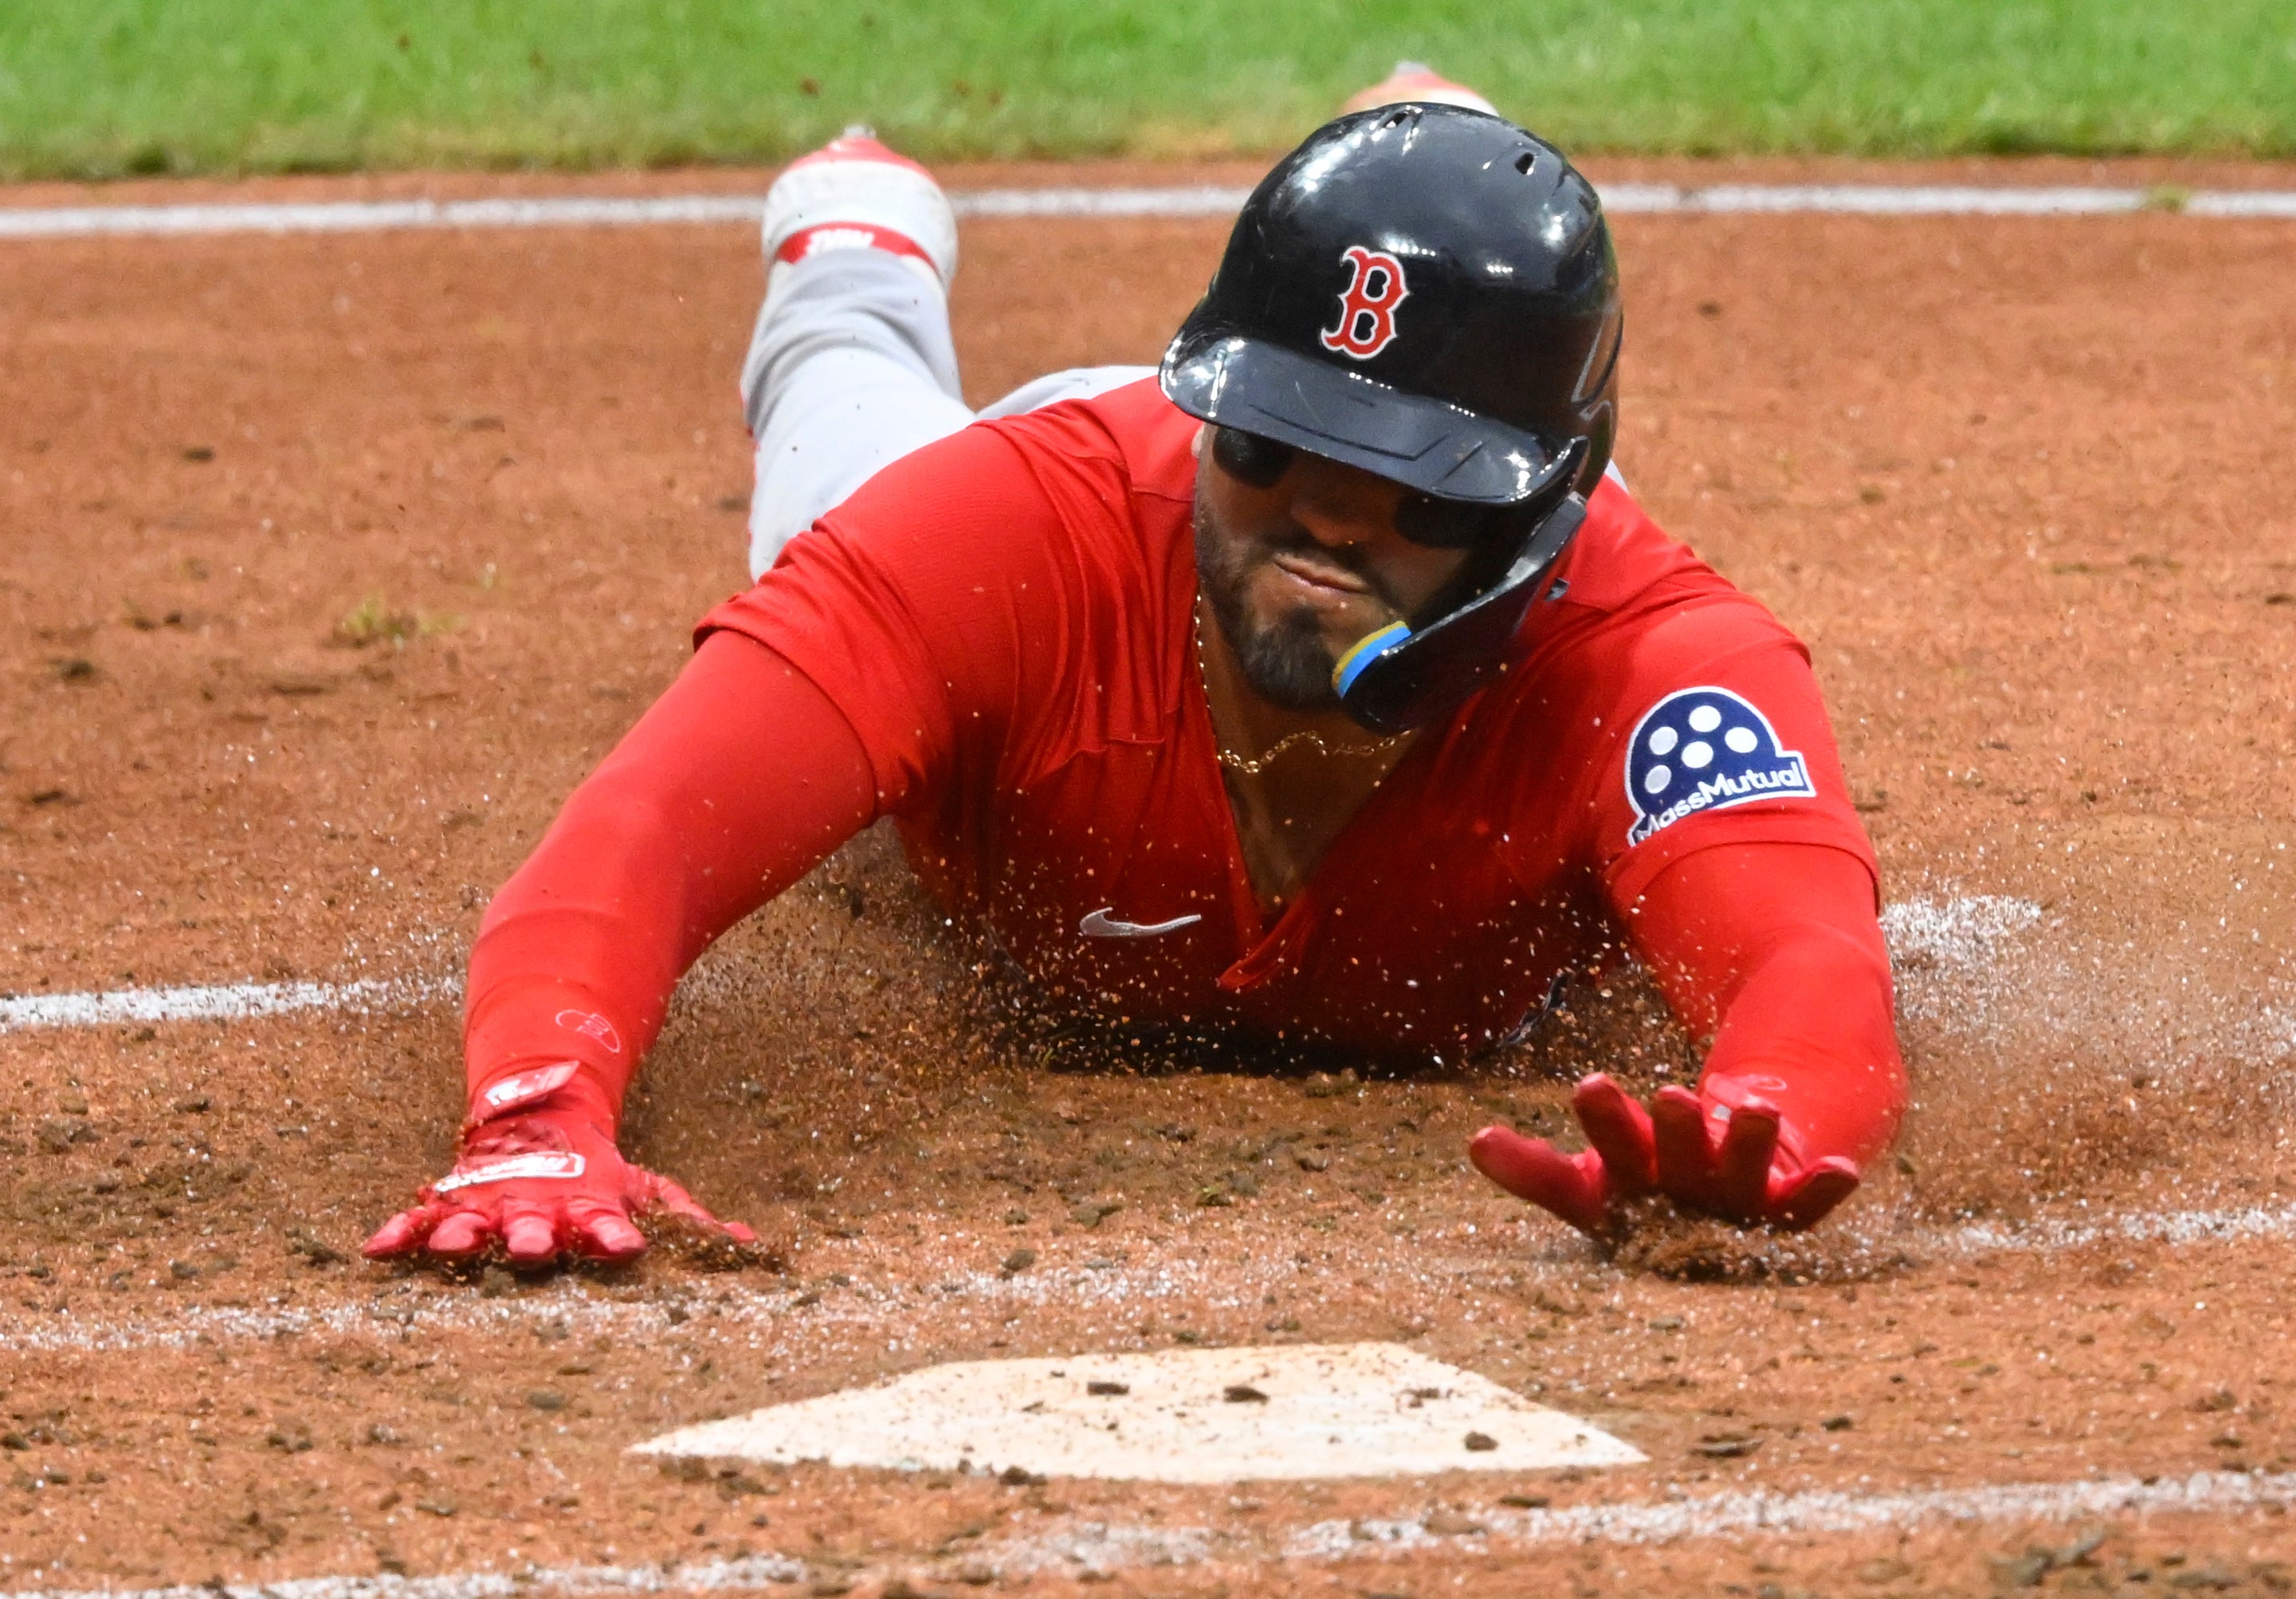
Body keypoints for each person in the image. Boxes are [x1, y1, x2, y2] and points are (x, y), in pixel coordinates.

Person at [365, 74, 1905, 1268]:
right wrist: (538, 1112)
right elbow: (633, 838)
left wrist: (1765, 1120)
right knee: (840, 412)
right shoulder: (1007, 533)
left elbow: (1805, 970)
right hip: (1015, 486)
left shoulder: (1651, 664)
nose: (1322, 505)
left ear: (1535, 504)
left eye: (1411, 468)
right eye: (1273, 434)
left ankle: (1424, 147)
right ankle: (859, 247)